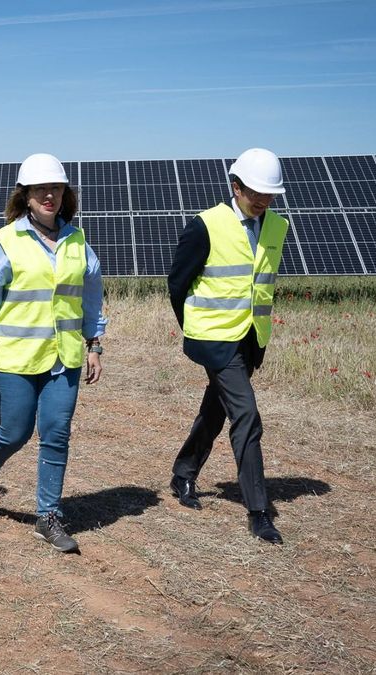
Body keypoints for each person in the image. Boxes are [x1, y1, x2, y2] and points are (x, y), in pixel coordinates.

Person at [0, 153, 106, 554]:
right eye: (41, 189)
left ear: (65, 194)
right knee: (16, 431)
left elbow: (91, 299)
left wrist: (94, 344)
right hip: (15, 358)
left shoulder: (78, 242)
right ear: (25, 196)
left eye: (56, 188)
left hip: (64, 358)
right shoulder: (7, 241)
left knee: (57, 433)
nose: (49, 195)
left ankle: (48, 516)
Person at [166, 148, 289, 545]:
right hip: (215, 340)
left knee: (216, 409)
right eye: (257, 192)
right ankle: (259, 512)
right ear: (235, 187)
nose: (264, 200)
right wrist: (196, 329)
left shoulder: (277, 227)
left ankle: (183, 473)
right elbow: (177, 283)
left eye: (271, 194)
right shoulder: (206, 226)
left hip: (250, 339)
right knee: (247, 416)